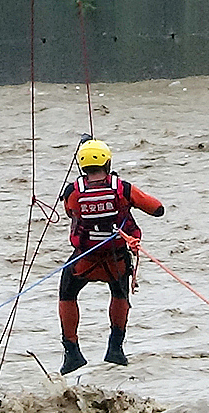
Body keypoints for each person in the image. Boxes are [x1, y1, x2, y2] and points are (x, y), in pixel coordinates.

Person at [58, 135, 165, 375]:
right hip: (116, 260)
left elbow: (69, 212)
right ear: (108, 163)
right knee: (120, 293)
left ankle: (72, 352)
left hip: (84, 261)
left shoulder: (73, 192)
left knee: (67, 293)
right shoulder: (122, 188)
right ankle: (115, 348)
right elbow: (157, 209)